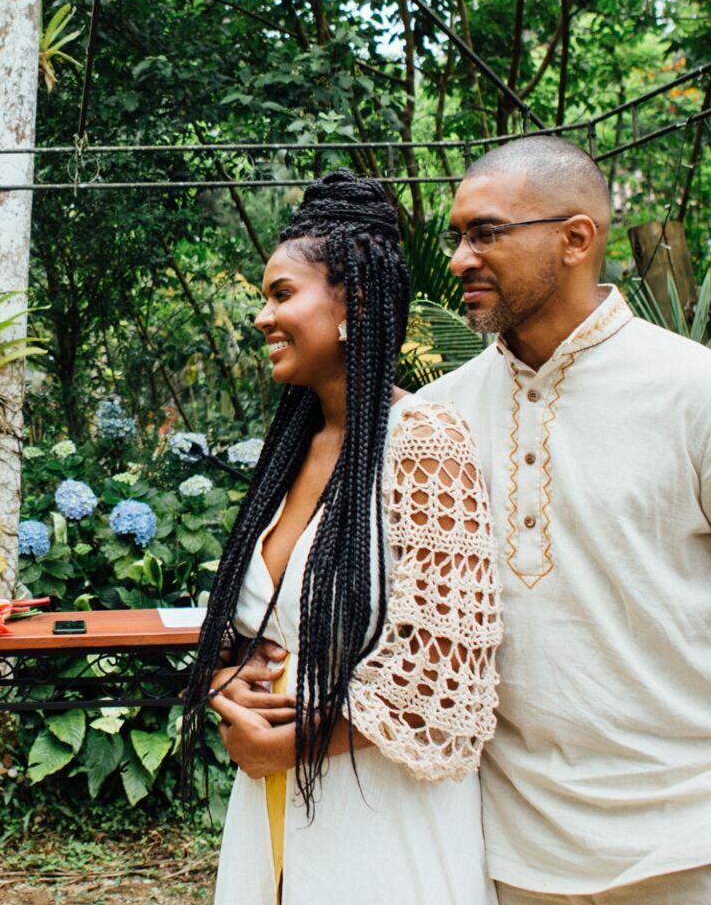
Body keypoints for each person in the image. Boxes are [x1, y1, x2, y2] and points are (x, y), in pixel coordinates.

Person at [416, 136, 711, 904]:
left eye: (487, 232)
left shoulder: (705, 398)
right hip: (506, 859)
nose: (461, 257)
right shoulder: (438, 419)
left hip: (703, 853)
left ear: (576, 239)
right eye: (457, 236)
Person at [185, 171, 501, 905]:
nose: (262, 317)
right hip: (276, 801)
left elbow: (444, 679)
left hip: (377, 816)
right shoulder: (296, 445)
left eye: (282, 294)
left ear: (353, 303)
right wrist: (229, 675)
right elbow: (262, 622)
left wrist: (287, 743)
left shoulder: (423, 443)